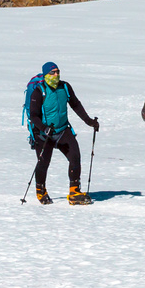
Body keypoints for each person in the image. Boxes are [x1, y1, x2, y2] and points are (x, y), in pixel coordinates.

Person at [26, 62, 98, 205]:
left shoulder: (65, 87)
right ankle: (41, 190)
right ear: (46, 75)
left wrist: (89, 121)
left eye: (58, 72)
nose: (56, 75)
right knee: (43, 162)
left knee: (75, 156)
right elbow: (34, 116)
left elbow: (75, 104)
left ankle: (74, 192)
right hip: (43, 133)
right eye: (52, 73)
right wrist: (44, 128)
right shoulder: (38, 91)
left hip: (62, 130)